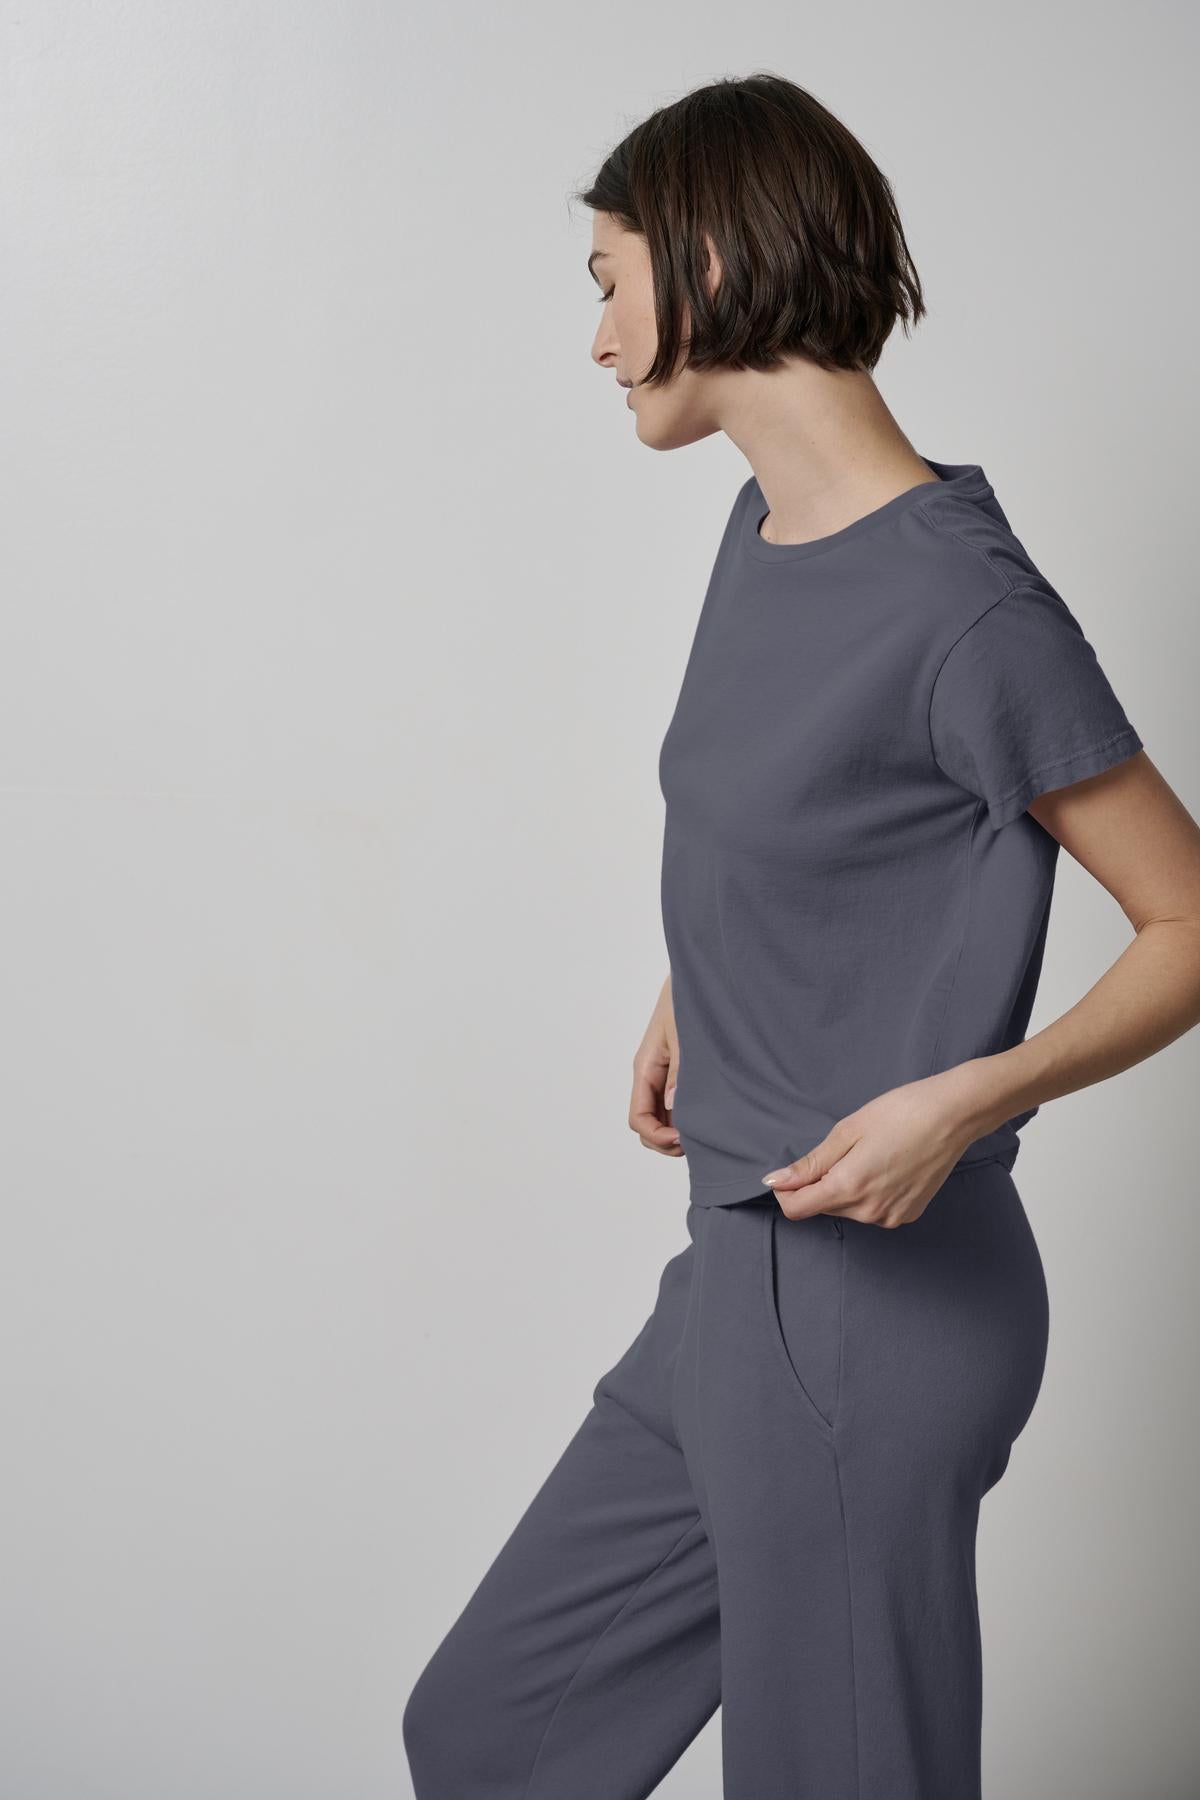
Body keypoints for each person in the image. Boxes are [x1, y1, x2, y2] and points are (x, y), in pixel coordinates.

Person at [402, 72, 1200, 1800]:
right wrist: (700, 978)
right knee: (489, 1735)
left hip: (869, 1303)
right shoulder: (767, 533)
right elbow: (808, 810)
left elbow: (1185, 916)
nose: (600, 338)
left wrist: (967, 1098)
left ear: (702, 260)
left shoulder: (967, 607)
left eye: (609, 278)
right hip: (738, 1275)